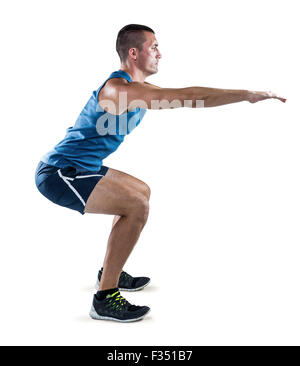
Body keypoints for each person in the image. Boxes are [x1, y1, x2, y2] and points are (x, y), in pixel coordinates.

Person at [35, 24, 286, 323]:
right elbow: (189, 95)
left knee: (141, 192)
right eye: (153, 47)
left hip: (80, 167)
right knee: (135, 205)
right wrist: (247, 94)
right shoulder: (118, 90)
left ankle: (110, 269)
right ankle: (104, 299)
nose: (159, 53)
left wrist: (244, 96)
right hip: (59, 173)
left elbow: (192, 98)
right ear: (133, 53)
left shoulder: (139, 90)